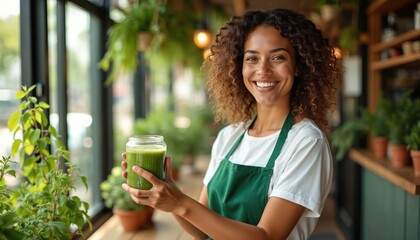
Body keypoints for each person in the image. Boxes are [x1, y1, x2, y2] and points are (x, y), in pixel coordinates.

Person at [121, 8, 340, 240]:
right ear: (239, 67)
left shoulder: (306, 142)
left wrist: (181, 203)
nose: (263, 70)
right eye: (252, 58)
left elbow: (266, 237)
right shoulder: (230, 136)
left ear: (298, 66)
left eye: (278, 57)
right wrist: (168, 194)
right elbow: (200, 230)